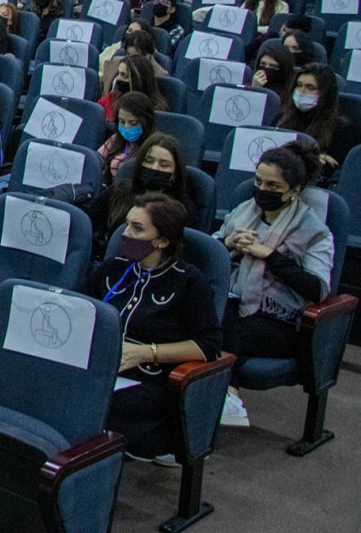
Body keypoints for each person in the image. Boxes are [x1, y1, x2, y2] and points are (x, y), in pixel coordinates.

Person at [84, 194, 222, 462]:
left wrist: (146, 352)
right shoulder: (113, 268)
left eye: (137, 228)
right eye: (126, 225)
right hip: (103, 366)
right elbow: (80, 309)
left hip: (150, 378)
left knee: (95, 402)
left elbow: (208, 346)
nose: (125, 234)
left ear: (162, 240)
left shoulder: (189, 282)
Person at [217, 143, 334, 427]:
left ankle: (224, 394)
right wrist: (227, 244)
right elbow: (212, 258)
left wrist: (269, 255)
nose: (261, 190)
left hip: (282, 322)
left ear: (294, 190)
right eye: (258, 181)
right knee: (207, 316)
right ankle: (225, 395)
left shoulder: (315, 231)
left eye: (273, 185)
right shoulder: (245, 210)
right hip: (236, 304)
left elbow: (316, 288)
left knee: (215, 328)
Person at [85, 131, 197, 247]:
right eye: (149, 161)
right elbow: (86, 221)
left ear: (175, 174)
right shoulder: (119, 191)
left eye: (164, 165)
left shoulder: (184, 208)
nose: (154, 168)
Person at [275, 65, 346, 173]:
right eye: (299, 85)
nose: (302, 91)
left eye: (310, 87)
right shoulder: (281, 118)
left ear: (325, 93)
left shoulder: (340, 129)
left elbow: (334, 170)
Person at [100, 92, 157, 186]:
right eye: (122, 122)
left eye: (133, 123)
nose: (126, 127)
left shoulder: (154, 147)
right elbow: (96, 161)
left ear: (146, 122)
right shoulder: (115, 139)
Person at [98, 51, 164, 120]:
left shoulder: (154, 110)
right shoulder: (111, 99)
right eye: (118, 74)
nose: (118, 78)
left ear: (138, 80)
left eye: (124, 75)